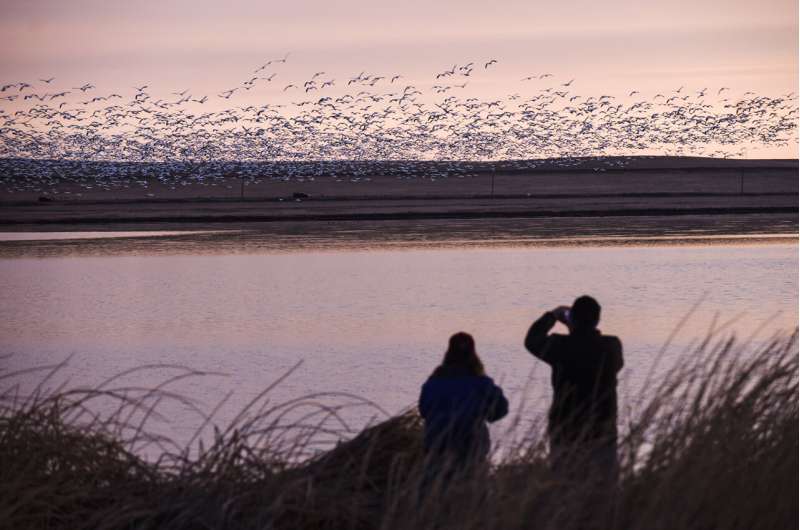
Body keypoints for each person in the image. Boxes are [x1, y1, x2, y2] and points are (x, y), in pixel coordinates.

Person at [524, 295, 624, 482]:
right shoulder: (611, 346)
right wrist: (575, 329)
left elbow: (532, 341)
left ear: (573, 319)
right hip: (603, 432)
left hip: (565, 433)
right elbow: (614, 364)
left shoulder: (559, 346)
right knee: (603, 493)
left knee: (565, 492)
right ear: (597, 319)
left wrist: (553, 315)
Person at [418, 332, 509, 494]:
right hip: (471, 449)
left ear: (448, 353)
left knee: (435, 492)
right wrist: (486, 414)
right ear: (473, 354)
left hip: (436, 447)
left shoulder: (432, 383)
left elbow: (424, 411)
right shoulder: (481, 383)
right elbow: (501, 410)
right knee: (473, 493)